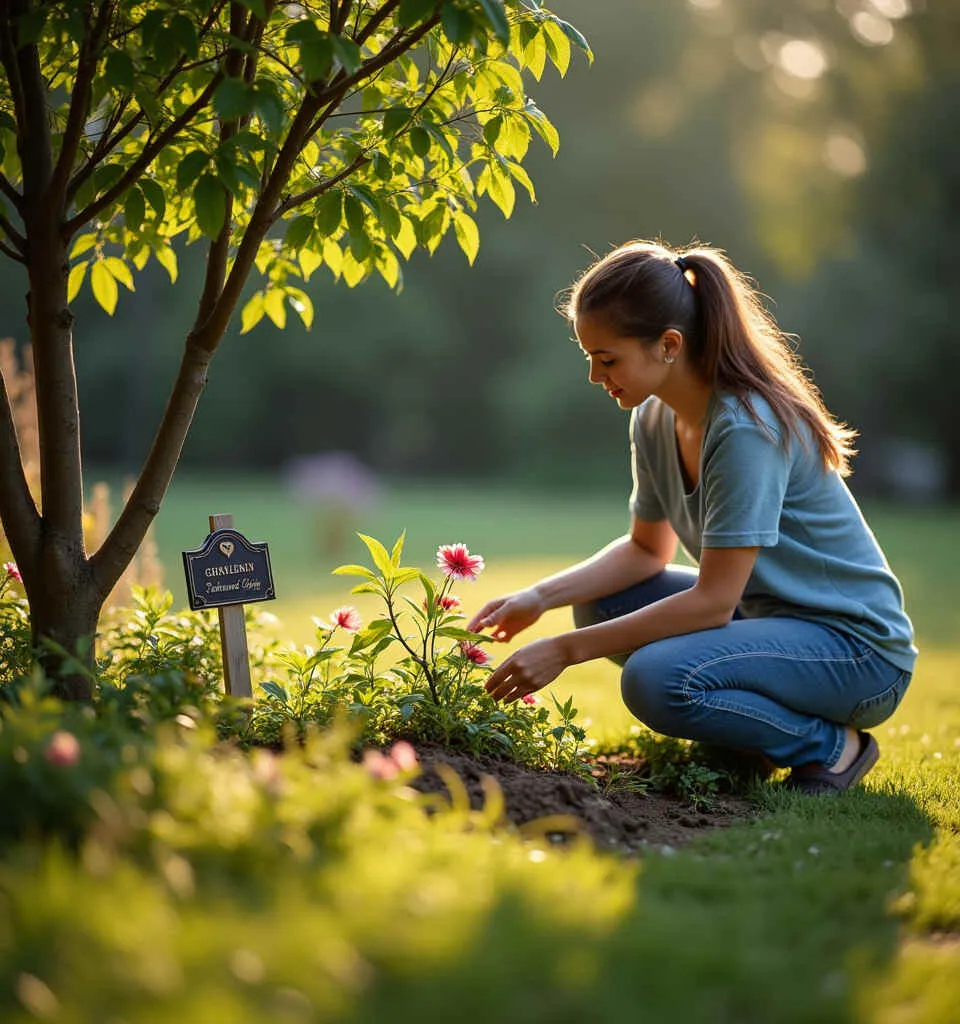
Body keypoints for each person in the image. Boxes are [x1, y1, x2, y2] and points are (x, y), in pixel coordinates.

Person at [467, 241, 917, 794]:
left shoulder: (746, 429)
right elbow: (645, 551)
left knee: (656, 681)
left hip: (855, 652)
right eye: (589, 358)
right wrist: (541, 597)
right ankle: (747, 743)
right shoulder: (655, 417)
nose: (593, 375)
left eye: (607, 359)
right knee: (599, 603)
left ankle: (830, 748)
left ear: (669, 345)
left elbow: (713, 602)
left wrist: (565, 650)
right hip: (768, 623)